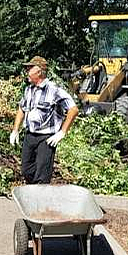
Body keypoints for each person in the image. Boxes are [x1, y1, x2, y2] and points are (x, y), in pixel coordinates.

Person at [9, 55, 79, 184]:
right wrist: (15, 130)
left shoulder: (54, 90)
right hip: (30, 135)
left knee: (42, 173)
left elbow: (73, 109)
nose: (26, 72)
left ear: (39, 71)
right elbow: (21, 108)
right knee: (26, 170)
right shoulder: (29, 90)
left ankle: (40, 198)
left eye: (29, 69)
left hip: (46, 138)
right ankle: (36, 193)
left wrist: (62, 133)